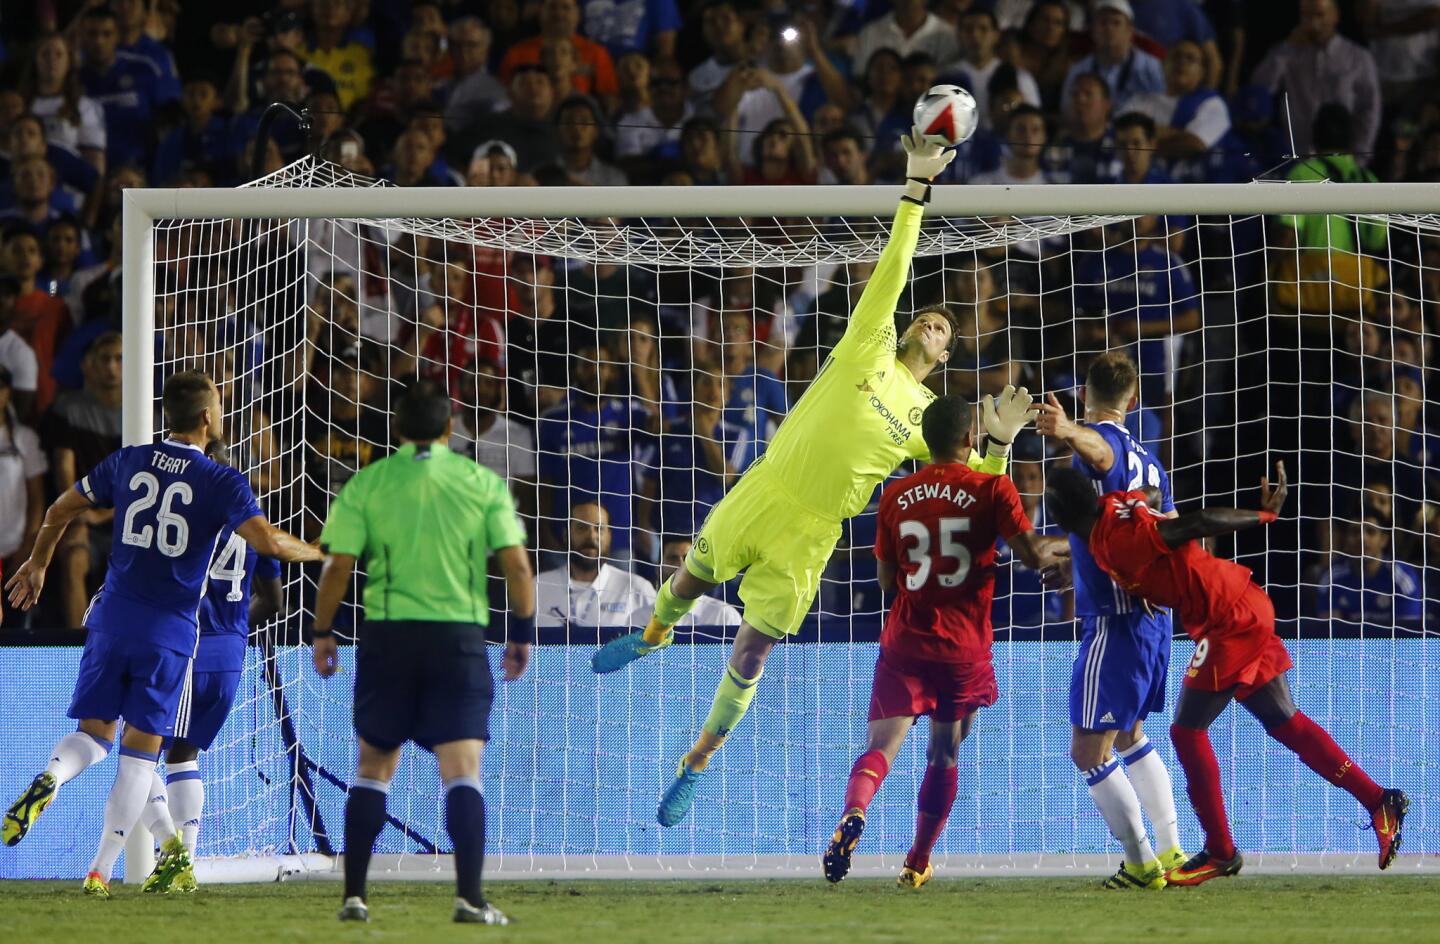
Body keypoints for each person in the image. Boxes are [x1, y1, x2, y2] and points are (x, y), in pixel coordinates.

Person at [591, 132, 1034, 828]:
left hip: (813, 530)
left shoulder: (927, 415)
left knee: (752, 647)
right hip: (765, 488)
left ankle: (696, 763)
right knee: (690, 581)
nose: (934, 323)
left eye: (946, 329)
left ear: (948, 355)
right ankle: (653, 635)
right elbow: (892, 269)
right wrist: (915, 187)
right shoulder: (870, 345)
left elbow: (973, 483)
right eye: (929, 315)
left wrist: (1002, 443)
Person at [2, 370, 316, 898]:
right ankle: (102, 870)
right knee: (142, 757)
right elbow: (271, 547)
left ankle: (52, 776)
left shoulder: (129, 460)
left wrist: (36, 565)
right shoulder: (223, 483)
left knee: (93, 734)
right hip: (173, 635)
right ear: (207, 418)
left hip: (111, 618)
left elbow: (60, 508)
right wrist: (324, 552)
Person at [1044, 463, 1409, 884]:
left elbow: (1195, 522)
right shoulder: (1114, 506)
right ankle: (1379, 800)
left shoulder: (1119, 539)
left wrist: (1264, 516)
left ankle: (1220, 850)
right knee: (1285, 721)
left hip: (1227, 619)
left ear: (1059, 517)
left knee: (1186, 731)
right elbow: (1153, 498)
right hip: (1242, 601)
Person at [310, 380, 535, 924]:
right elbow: (517, 565)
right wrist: (522, 632)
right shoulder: (480, 481)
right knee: (461, 767)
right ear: (449, 427)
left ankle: (355, 898)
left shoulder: (368, 483)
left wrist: (324, 633)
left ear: (396, 428)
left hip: (388, 637)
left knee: (372, 766)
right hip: (455, 638)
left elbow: (337, 565)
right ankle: (469, 898)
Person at [822, 394, 1064, 889]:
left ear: (925, 444)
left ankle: (855, 810)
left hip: (906, 641)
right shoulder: (994, 487)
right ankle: (916, 861)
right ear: (970, 440)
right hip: (964, 649)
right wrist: (1078, 550)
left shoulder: (895, 495)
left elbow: (887, 582)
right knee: (944, 753)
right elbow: (1035, 557)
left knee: (881, 746)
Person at [1032, 351, 1186, 890]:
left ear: (1083, 395)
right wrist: (1082, 568)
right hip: (1152, 618)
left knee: (1086, 749)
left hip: (1116, 622)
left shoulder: (1108, 442)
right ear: (1135, 399)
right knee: (1130, 735)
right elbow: (1146, 530)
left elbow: (1100, 452)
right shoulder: (1153, 460)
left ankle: (1141, 861)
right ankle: (1170, 850)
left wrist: (1068, 429)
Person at [137, 441, 285, 861]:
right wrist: (232, 630)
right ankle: (185, 856)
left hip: (185, 646)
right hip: (228, 657)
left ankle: (171, 850)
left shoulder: (186, 518)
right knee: (184, 755)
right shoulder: (254, 525)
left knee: (137, 752)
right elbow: (274, 602)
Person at [46, 332, 122, 629]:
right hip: (82, 515)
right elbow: (65, 472)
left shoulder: (149, 416)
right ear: (88, 365)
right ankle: (78, 646)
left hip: (130, 519)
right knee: (74, 556)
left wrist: (105, 514)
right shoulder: (69, 409)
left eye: (120, 359)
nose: (112, 367)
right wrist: (83, 515)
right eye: (105, 359)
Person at [1251, 0, 1381, 162]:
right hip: (1296, 157)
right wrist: (1286, 48)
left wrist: (1361, 156)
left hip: (1340, 158)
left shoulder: (1358, 57)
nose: (1313, 23)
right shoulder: (1287, 54)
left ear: (1335, 16)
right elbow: (1259, 91)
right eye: (1306, 16)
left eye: (1320, 15)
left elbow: (1370, 109)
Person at [536, 500, 657, 628]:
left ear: (609, 536)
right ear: (566, 535)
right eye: (581, 528)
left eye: (599, 529)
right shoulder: (537, 588)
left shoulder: (638, 589)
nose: (591, 535)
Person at [1314, 517, 1423, 629]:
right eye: (1355, 532)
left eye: (1371, 532)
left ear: (1383, 540)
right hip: (1349, 646)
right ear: (1346, 539)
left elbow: (1408, 634)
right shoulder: (1332, 578)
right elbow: (1331, 634)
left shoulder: (1402, 577)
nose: (1362, 538)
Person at [1060, 0, 1164, 115]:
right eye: (1103, 22)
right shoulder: (1079, 70)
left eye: (1116, 23)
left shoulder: (1151, 68)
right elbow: (1068, 113)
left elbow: (1162, 111)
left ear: (1130, 31)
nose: (1109, 28)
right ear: (1093, 30)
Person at [659, 536, 740, 628]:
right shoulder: (641, 616)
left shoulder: (724, 615)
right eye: (673, 558)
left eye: (687, 558)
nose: (680, 565)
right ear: (658, 567)